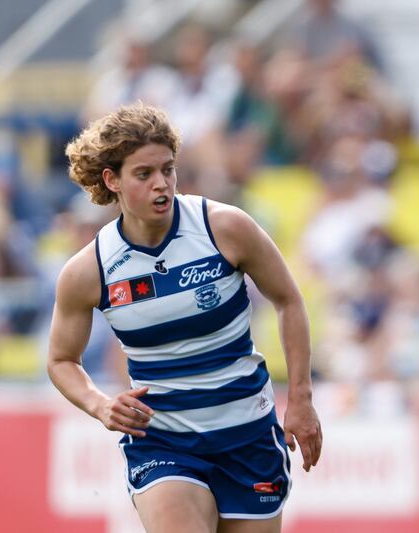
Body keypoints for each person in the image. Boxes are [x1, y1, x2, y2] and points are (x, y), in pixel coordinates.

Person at [47, 103, 322, 533]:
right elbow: (62, 360)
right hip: (163, 439)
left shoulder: (225, 228)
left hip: (247, 434)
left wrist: (302, 399)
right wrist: (100, 405)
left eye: (168, 169)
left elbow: (289, 300)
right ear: (112, 180)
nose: (162, 185)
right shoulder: (89, 270)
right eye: (144, 174)